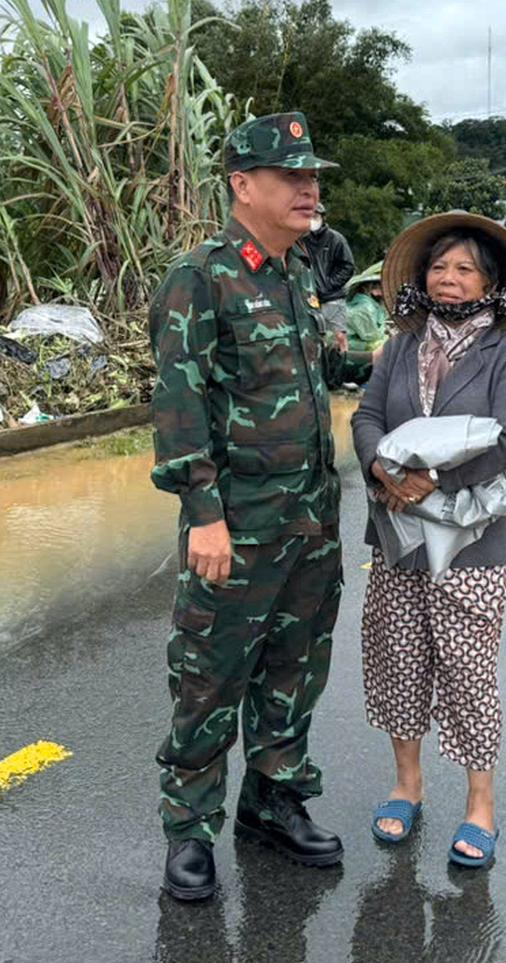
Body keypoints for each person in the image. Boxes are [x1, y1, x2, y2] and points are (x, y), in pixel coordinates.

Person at [149, 112, 373, 902]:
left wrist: (402, 355)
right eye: (292, 176)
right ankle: (189, 827)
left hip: (310, 520)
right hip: (237, 523)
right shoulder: (201, 277)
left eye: (313, 177)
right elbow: (179, 405)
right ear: (243, 185)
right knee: (210, 674)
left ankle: (273, 800)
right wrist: (204, 514)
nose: (309, 189)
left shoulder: (296, 271)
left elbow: (318, 370)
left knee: (294, 666)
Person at [351, 213, 506, 870]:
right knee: (399, 658)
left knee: (467, 669)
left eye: (465, 269)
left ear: (490, 284)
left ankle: (480, 803)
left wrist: (434, 479)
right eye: (439, 267)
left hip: (471, 542)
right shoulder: (400, 347)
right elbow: (367, 415)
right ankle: (407, 785)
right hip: (397, 533)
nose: (449, 279)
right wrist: (381, 468)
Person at [303, 202, 356, 346]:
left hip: (333, 297)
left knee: (340, 337)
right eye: (310, 216)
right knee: (315, 338)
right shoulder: (302, 240)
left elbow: (348, 266)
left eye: (316, 216)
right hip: (310, 298)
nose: (313, 219)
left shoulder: (336, 239)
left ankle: (344, 358)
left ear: (323, 218)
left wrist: (329, 284)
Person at [341, 261, 390, 354]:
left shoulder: (371, 304)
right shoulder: (365, 308)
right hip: (347, 348)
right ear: (369, 288)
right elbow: (372, 336)